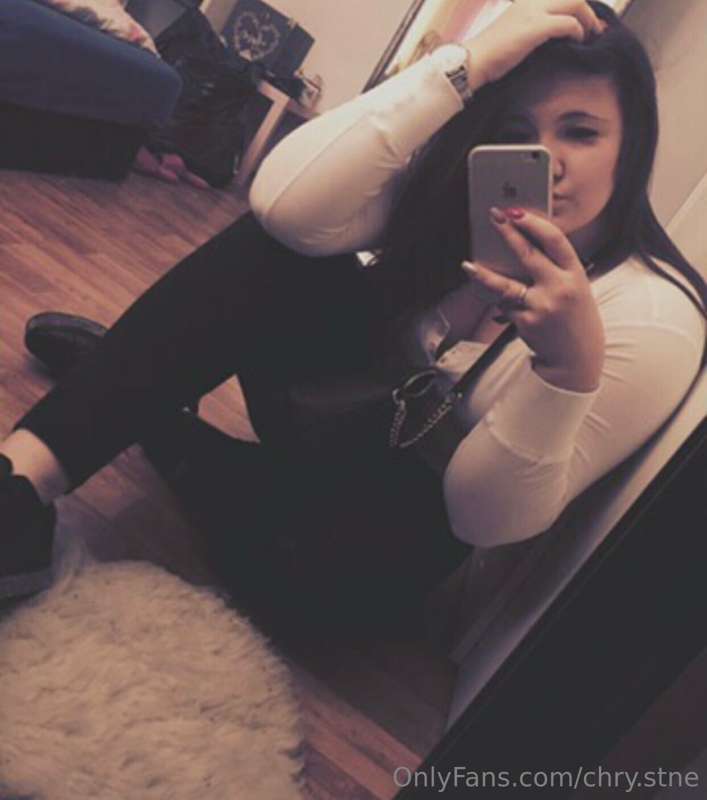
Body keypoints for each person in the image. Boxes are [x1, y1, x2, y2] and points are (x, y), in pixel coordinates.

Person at [2, 1, 705, 634]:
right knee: (274, 253)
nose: (545, 161)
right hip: (323, 432)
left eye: (580, 132)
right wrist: (465, 65)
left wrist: (564, 372)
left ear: (631, 145)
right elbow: (284, 208)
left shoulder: (651, 317)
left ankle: (138, 394)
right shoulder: (467, 201)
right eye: (516, 132)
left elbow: (481, 520)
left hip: (344, 564)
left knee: (194, 448)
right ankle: (24, 480)